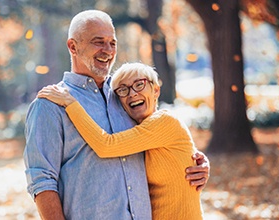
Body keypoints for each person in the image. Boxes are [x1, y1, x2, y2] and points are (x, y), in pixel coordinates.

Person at [24, 10, 209, 220]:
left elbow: (161, 143)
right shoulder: (50, 104)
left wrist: (197, 164)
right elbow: (42, 181)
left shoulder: (127, 97)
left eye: (112, 43)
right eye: (98, 42)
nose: (108, 50)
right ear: (73, 46)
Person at [38, 62, 204, 219]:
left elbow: (106, 145)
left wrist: (70, 103)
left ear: (156, 90)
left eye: (139, 84)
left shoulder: (165, 121)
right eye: (123, 90)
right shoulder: (139, 132)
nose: (132, 93)